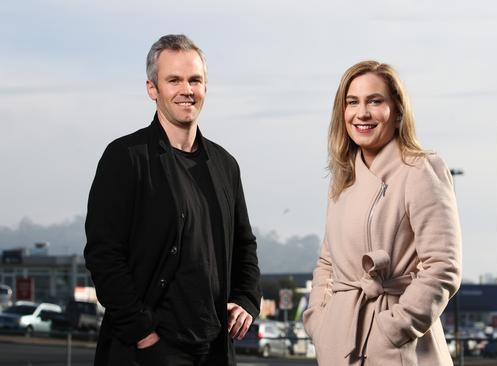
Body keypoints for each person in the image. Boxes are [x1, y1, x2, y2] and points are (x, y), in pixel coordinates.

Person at [84, 34, 261, 366]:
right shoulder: (125, 157)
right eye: (174, 80)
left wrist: (247, 300)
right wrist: (143, 334)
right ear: (153, 88)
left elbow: (244, 245)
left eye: (195, 80)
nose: (186, 90)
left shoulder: (225, 165)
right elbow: (103, 255)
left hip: (213, 350)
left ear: (206, 86)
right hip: (150, 349)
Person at [303, 61, 462, 365]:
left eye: (375, 101)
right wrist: (319, 322)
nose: (362, 113)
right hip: (340, 342)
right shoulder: (343, 180)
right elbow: (327, 261)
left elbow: (443, 266)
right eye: (352, 102)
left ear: (397, 110)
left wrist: (393, 328)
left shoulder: (420, 170)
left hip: (399, 347)